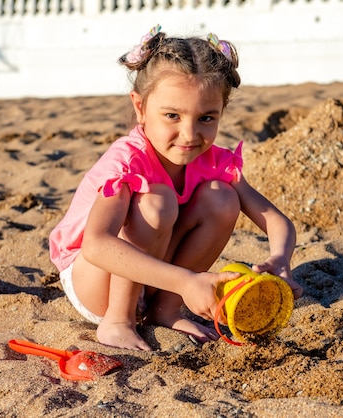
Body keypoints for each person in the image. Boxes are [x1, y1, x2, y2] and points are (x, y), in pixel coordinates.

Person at [49, 25, 303, 351]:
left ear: (222, 112)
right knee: (157, 201)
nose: (189, 134)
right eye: (172, 115)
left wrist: (280, 259)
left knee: (223, 198)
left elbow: (276, 220)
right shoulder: (127, 162)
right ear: (140, 107)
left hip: (152, 275)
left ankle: (165, 310)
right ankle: (119, 321)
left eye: (206, 119)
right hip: (96, 281)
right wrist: (187, 281)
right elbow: (96, 246)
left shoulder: (214, 160)